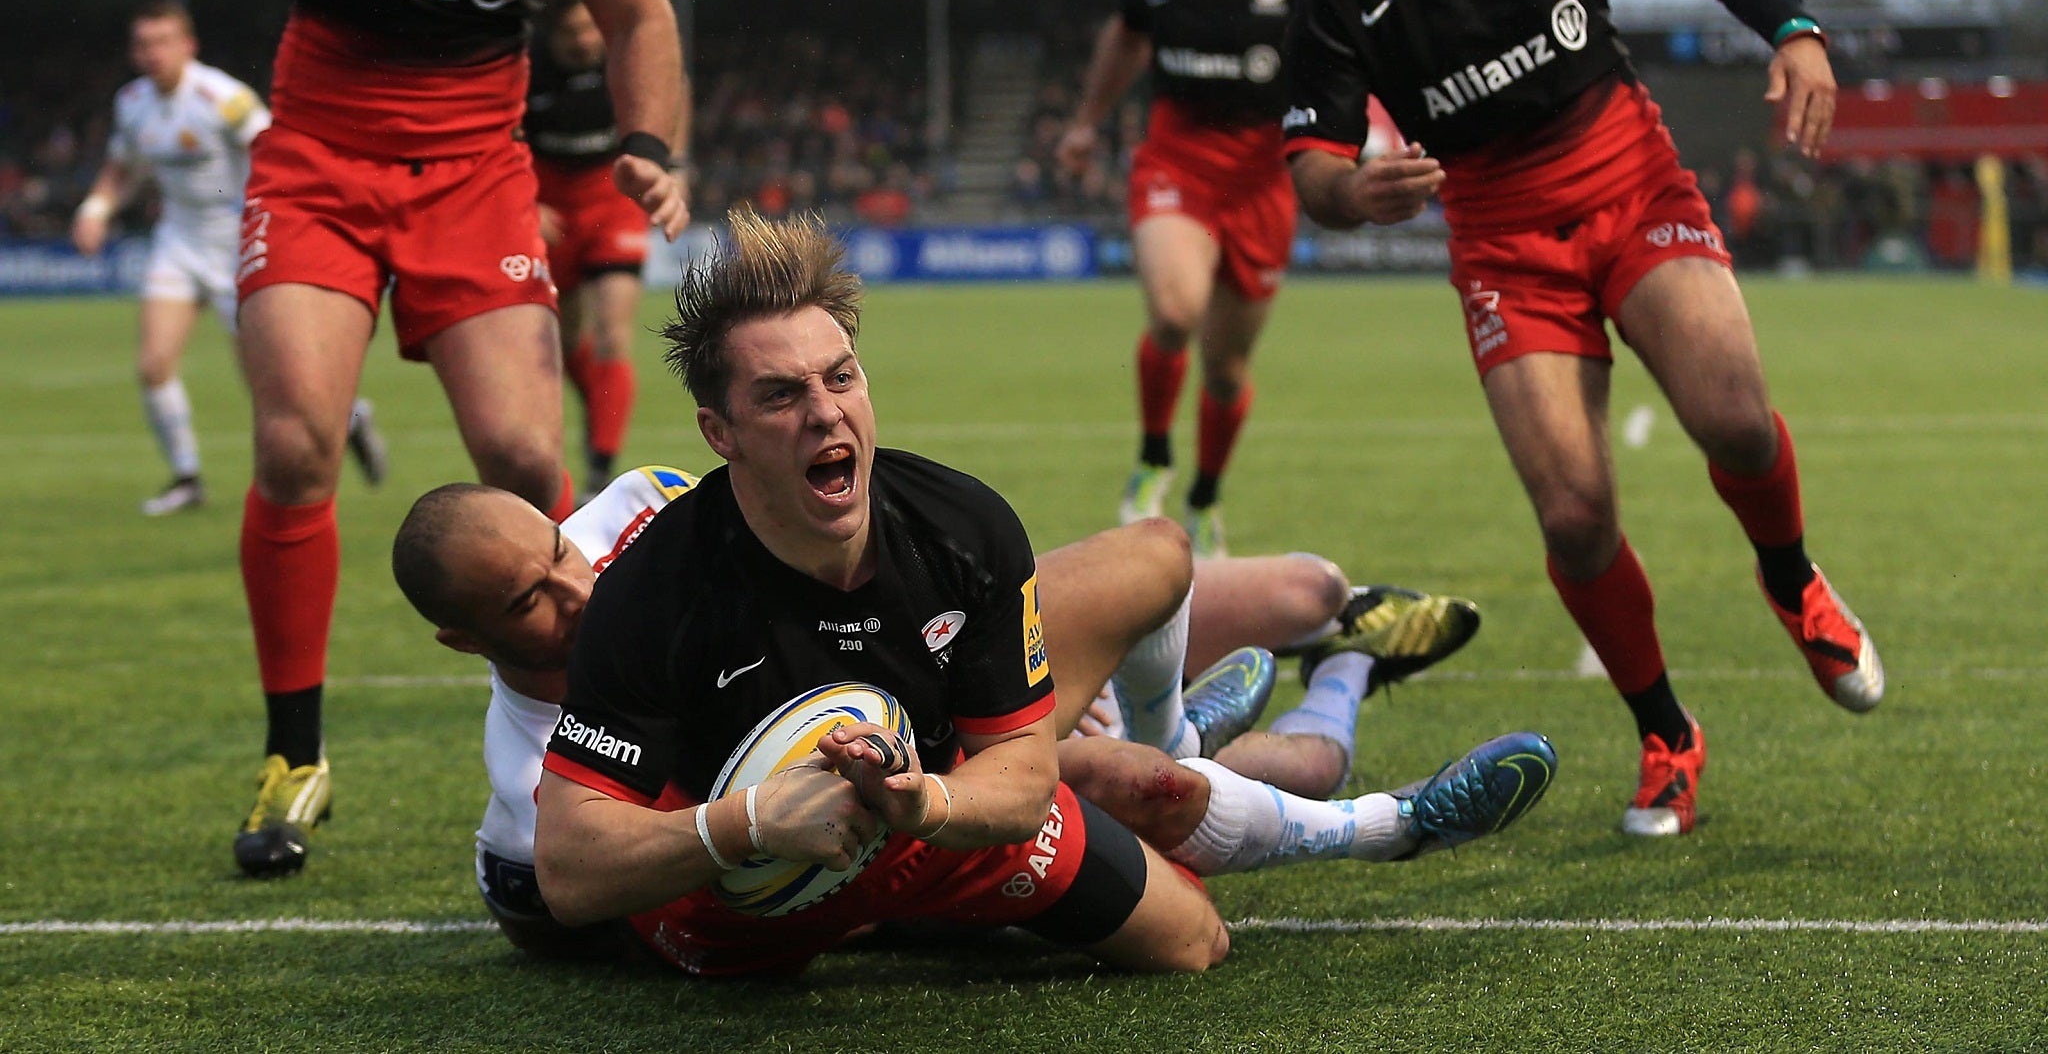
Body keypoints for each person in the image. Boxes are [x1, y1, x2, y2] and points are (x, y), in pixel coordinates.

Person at [397, 215, 1543, 969]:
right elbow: (573, 871)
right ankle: (1361, 756)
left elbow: (986, 739)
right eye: (530, 599)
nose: (574, 584)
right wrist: (755, 820)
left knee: (1198, 585)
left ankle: (1271, 686)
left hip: (915, 750)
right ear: (725, 431)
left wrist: (974, 732)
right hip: (789, 849)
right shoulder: (625, 632)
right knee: (1135, 787)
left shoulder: (687, 514)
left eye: (841, 377)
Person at [95, 0, 688, 878]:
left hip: (476, 172)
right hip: (314, 158)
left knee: (529, 457)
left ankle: (605, 729)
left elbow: (639, 12)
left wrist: (652, 143)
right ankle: (295, 755)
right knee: (297, 440)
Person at [1275, 0, 1884, 839]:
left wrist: (1792, 30)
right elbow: (1311, 167)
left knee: (1734, 421)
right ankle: (1664, 732)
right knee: (1571, 512)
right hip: (1504, 246)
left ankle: (1792, 581)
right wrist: (1354, 194)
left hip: (1632, 186)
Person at [1056, 0, 1312, 557]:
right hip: (1177, 161)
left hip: (1263, 182)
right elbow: (1123, 44)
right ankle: (1152, 458)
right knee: (1175, 312)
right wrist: (1084, 125)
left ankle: (1204, 497)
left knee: (1228, 370)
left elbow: (1335, 61)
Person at [70, 0, 387, 516]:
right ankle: (187, 478)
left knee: (269, 383)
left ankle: (349, 416)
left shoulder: (222, 97)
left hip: (239, 241)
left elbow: (276, 150)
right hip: (177, 240)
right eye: (143, 44)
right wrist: (96, 209)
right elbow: (120, 167)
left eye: (162, 41)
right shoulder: (132, 102)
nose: (152, 53)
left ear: (187, 45)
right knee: (152, 365)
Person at [526, 0, 652, 501]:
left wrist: (673, 161)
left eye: (588, 31)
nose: (582, 42)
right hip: (546, 203)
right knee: (561, 346)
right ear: (551, 35)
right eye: (570, 34)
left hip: (612, 201)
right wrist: (523, 202)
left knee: (612, 335)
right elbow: (494, 138)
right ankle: (594, 407)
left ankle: (600, 470)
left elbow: (678, 91)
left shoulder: (625, 58)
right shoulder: (525, 68)